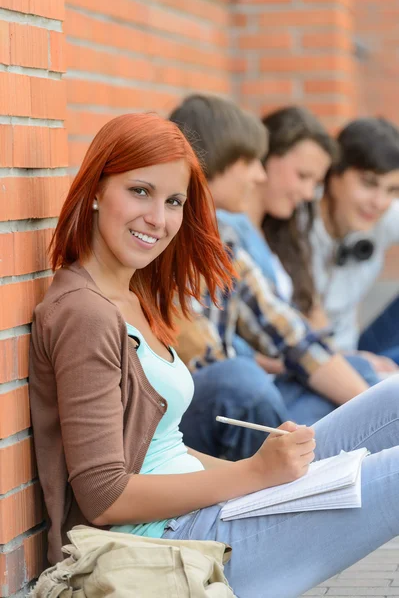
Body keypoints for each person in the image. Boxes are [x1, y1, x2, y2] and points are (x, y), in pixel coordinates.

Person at [29, 112, 399, 598]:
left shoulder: (132, 296)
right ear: (96, 190)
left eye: (174, 201)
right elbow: (103, 496)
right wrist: (254, 474)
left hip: (206, 513)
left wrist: (269, 471)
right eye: (140, 191)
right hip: (173, 548)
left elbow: (166, 450)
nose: (158, 219)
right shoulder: (85, 313)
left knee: (391, 398)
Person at [170, 96, 378, 432]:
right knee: (242, 381)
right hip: (191, 410)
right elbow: (199, 358)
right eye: (251, 161)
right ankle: (303, 466)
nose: (259, 174)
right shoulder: (163, 233)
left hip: (242, 393)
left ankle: (318, 459)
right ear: (216, 156)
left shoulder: (224, 238)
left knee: (360, 378)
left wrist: (374, 407)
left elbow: (291, 335)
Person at [310, 117, 399, 370]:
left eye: (392, 190)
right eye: (369, 183)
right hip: (319, 365)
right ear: (334, 173)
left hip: (357, 350)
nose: (379, 201)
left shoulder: (382, 213)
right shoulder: (295, 226)